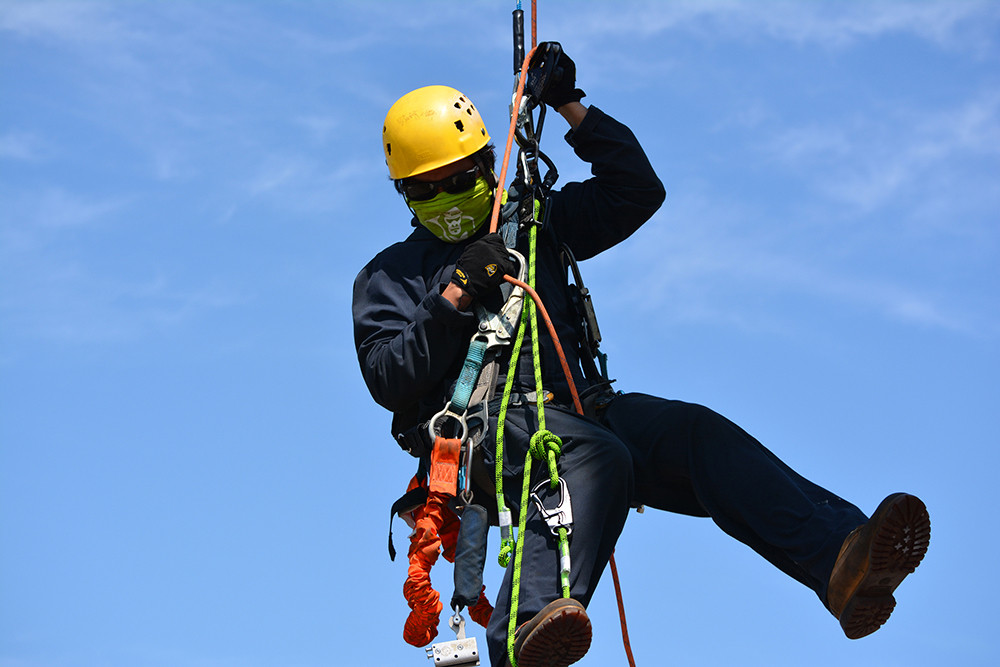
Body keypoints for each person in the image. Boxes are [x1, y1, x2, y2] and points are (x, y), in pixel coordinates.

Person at [352, 47, 930, 667]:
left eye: (461, 179)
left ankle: (841, 558)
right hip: (488, 435)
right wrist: (457, 292)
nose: (450, 197)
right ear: (404, 195)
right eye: (427, 190)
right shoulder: (389, 276)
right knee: (592, 456)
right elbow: (390, 377)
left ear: (488, 166)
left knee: (694, 434)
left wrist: (571, 107)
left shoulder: (534, 224)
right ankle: (525, 631)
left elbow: (636, 191)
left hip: (582, 409)